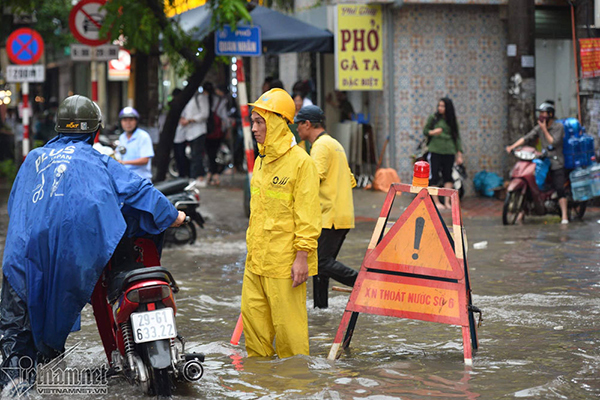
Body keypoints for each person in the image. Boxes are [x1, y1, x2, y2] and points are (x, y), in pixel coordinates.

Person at [0, 95, 186, 390]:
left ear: (58, 129)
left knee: (15, 338)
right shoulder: (99, 161)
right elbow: (140, 191)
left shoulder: (32, 159)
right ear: (95, 132)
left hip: (22, 257)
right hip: (73, 258)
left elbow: (15, 205)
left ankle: (17, 388)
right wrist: (174, 216)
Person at [242, 88, 321, 358]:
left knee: (291, 340)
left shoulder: (302, 163)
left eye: (259, 122)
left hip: (285, 265)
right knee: (255, 337)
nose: (254, 128)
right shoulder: (263, 161)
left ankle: (295, 389)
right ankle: (262, 387)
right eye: (253, 122)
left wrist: (302, 257)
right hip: (256, 262)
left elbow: (308, 217)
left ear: (276, 122)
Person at [295, 105, 358, 309]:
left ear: (307, 124)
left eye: (299, 124)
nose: (297, 129)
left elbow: (313, 180)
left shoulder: (321, 146)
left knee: (321, 262)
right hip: (342, 214)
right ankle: (320, 309)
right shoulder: (335, 144)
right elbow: (351, 180)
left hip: (329, 216)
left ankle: (361, 282)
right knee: (320, 267)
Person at [506, 101, 568, 224]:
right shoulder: (539, 127)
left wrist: (545, 130)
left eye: (543, 113)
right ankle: (522, 213)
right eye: (540, 113)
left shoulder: (558, 127)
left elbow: (553, 142)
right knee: (531, 184)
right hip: (543, 161)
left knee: (559, 188)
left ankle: (565, 216)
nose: (541, 116)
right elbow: (527, 137)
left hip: (556, 162)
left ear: (550, 114)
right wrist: (512, 146)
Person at [423, 97, 464, 209]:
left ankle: (447, 202)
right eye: (439, 106)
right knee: (434, 175)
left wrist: (459, 154)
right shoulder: (434, 118)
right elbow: (425, 131)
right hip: (435, 149)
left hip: (449, 151)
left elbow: (457, 138)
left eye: (443, 106)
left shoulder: (452, 121)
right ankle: (436, 202)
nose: (440, 108)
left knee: (448, 176)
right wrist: (433, 132)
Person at [174, 88, 210, 187]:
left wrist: (190, 120)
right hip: (188, 132)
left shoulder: (201, 97)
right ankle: (193, 176)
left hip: (198, 130)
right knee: (192, 155)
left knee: (196, 154)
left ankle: (198, 177)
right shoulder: (187, 99)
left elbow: (204, 114)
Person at [118, 107, 154, 182]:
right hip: (126, 180)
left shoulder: (143, 136)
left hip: (141, 181)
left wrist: (124, 163)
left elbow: (145, 160)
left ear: (136, 121)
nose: (128, 123)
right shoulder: (122, 137)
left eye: (131, 120)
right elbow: (119, 154)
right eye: (125, 120)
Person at [204, 83, 230, 186]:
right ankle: (213, 175)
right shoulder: (220, 101)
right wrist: (227, 129)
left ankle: (212, 175)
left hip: (207, 131)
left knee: (210, 154)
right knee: (213, 154)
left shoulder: (203, 99)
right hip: (217, 132)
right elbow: (224, 118)